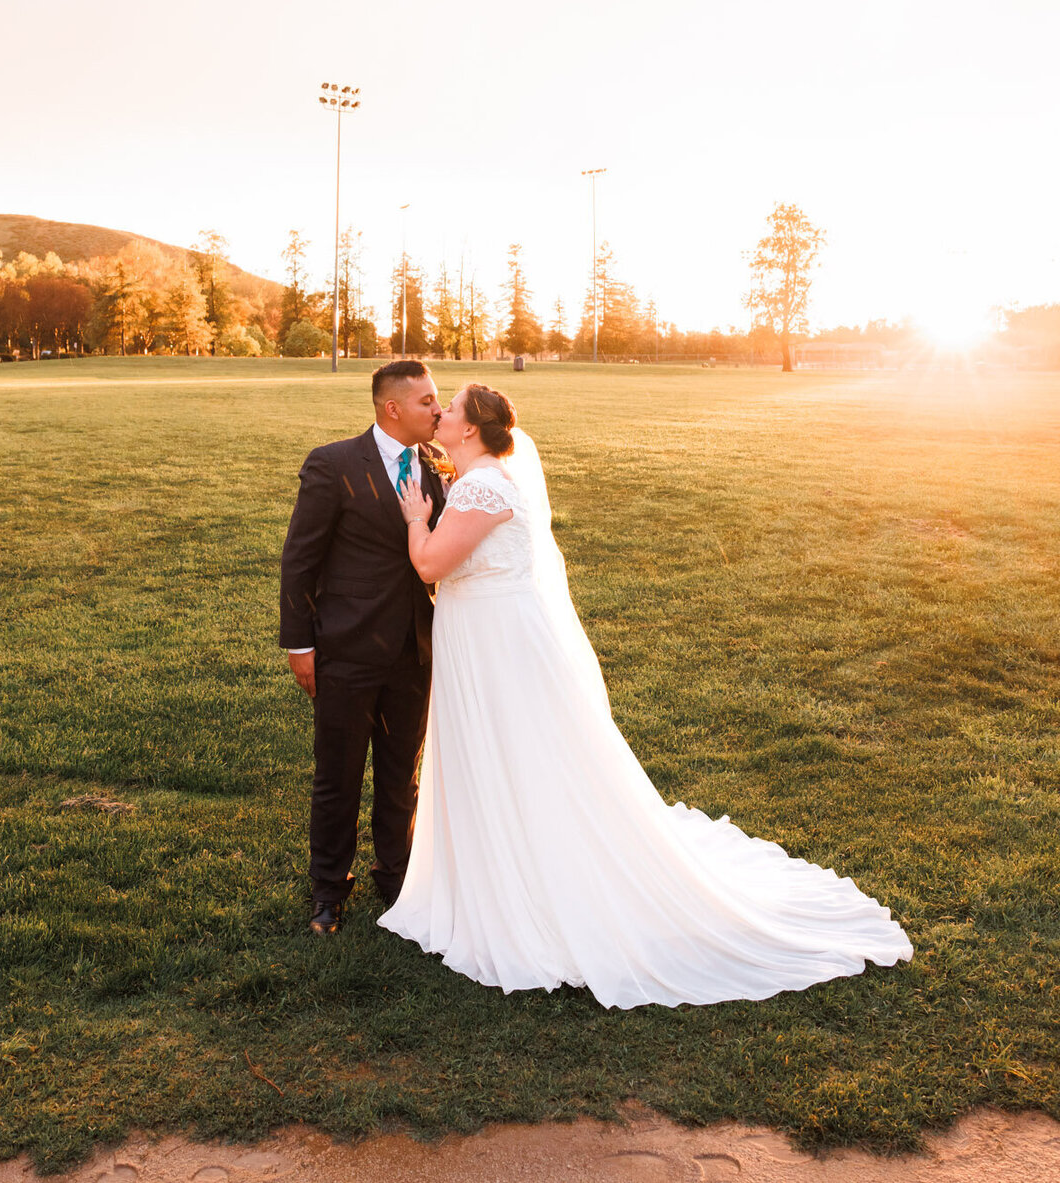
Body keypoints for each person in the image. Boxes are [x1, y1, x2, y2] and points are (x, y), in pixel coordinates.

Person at [380, 382, 913, 1010]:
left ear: (470, 429)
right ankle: (507, 861)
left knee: (513, 750)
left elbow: (432, 566)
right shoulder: (488, 476)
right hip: (494, 634)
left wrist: (417, 519)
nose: (439, 413)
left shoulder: (483, 486)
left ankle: (528, 881)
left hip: (497, 642)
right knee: (519, 752)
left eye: (450, 408)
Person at [279, 360, 448, 935]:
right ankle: (328, 889)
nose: (438, 409)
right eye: (427, 401)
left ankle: (396, 877)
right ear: (391, 408)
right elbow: (300, 557)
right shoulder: (332, 463)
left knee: (402, 775)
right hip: (346, 650)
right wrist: (300, 644)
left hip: (414, 651)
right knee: (339, 775)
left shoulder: (436, 467)